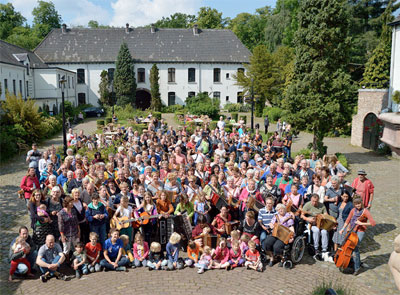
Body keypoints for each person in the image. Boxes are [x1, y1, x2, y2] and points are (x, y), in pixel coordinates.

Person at [339, 197, 376, 275]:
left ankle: (357, 268)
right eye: (356, 204)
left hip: (360, 231)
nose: (358, 206)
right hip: (352, 230)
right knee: (350, 247)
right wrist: (342, 229)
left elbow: (373, 223)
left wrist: (362, 224)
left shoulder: (365, 211)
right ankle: (355, 263)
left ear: (361, 203)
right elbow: (348, 220)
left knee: (355, 247)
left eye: (359, 204)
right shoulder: (353, 210)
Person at [301, 194, 329, 260]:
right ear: (311, 199)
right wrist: (308, 219)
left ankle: (324, 249)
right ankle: (316, 248)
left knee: (324, 232)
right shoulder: (307, 205)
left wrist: (324, 217)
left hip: (320, 223)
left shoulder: (322, 205)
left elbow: (326, 214)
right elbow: (302, 215)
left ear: (318, 200)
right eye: (313, 201)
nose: (314, 203)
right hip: (312, 223)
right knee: (316, 230)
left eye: (316, 201)